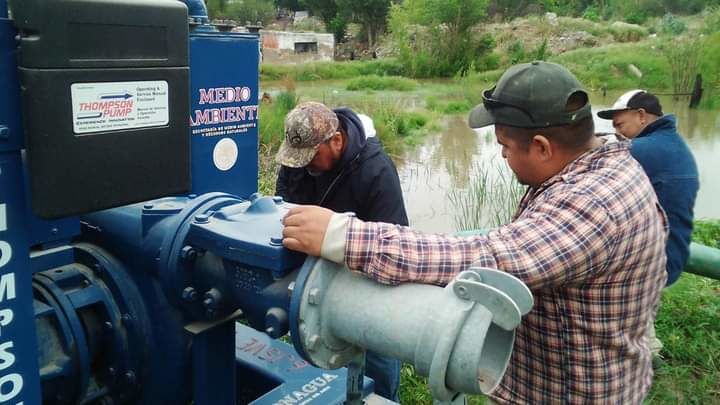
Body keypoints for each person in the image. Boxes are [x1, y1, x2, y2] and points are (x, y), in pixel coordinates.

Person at [281, 62, 668, 404]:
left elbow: (487, 258)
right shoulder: (595, 168)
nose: (501, 155)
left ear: (542, 146)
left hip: (571, 390)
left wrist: (343, 236)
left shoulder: (593, 205)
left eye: (503, 145)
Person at [275, 101, 407, 401]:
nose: (303, 165)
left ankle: (383, 397)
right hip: (313, 279)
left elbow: (395, 241)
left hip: (366, 282)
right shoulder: (298, 163)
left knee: (378, 360)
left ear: (336, 141)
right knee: (319, 358)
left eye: (311, 157)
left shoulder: (375, 171)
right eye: (297, 158)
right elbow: (282, 208)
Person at [598, 90, 699, 286]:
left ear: (641, 115)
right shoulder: (672, 143)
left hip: (654, 264)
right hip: (672, 255)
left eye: (620, 125)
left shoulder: (638, 150)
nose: (618, 134)